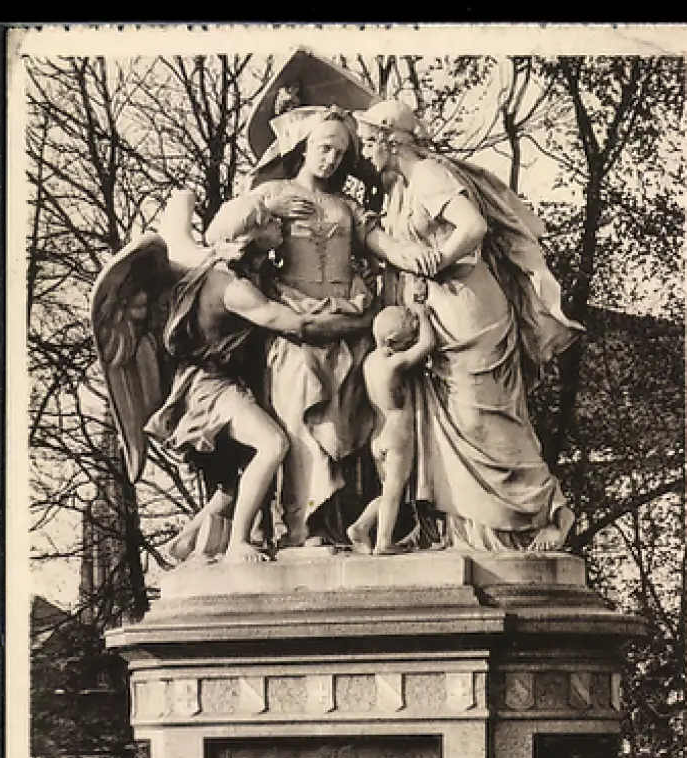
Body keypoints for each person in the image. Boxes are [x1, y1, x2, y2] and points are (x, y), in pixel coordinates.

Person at [356, 99, 583, 553]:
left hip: (470, 312)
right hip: (440, 314)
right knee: (448, 419)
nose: (364, 153)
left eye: (367, 143)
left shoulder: (428, 176)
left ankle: (544, 514)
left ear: (389, 140)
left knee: (482, 417)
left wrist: (438, 260)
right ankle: (463, 530)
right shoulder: (402, 188)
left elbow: (473, 226)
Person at [146, 190, 361, 563]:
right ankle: (237, 545)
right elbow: (300, 326)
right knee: (272, 445)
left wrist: (268, 207)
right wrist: (365, 321)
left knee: (239, 480)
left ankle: (188, 541)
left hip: (222, 382)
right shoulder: (233, 288)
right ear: (249, 237)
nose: (280, 225)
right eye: (270, 222)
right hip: (210, 387)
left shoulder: (232, 269)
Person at [204, 107, 380, 548]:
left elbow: (379, 244)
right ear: (304, 146)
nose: (331, 160)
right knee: (300, 408)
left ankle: (341, 522)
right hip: (292, 322)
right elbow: (215, 233)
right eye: (324, 148)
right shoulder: (275, 191)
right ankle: (301, 527)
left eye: (339, 153)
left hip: (346, 319)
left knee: (346, 424)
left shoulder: (346, 206)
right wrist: (264, 204)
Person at [346, 303, 436, 555]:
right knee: (394, 491)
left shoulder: (370, 362)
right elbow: (428, 345)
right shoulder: (393, 364)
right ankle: (383, 541)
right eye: (408, 339)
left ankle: (362, 526)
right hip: (398, 434)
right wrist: (423, 315)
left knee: (389, 490)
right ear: (394, 341)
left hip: (378, 435)